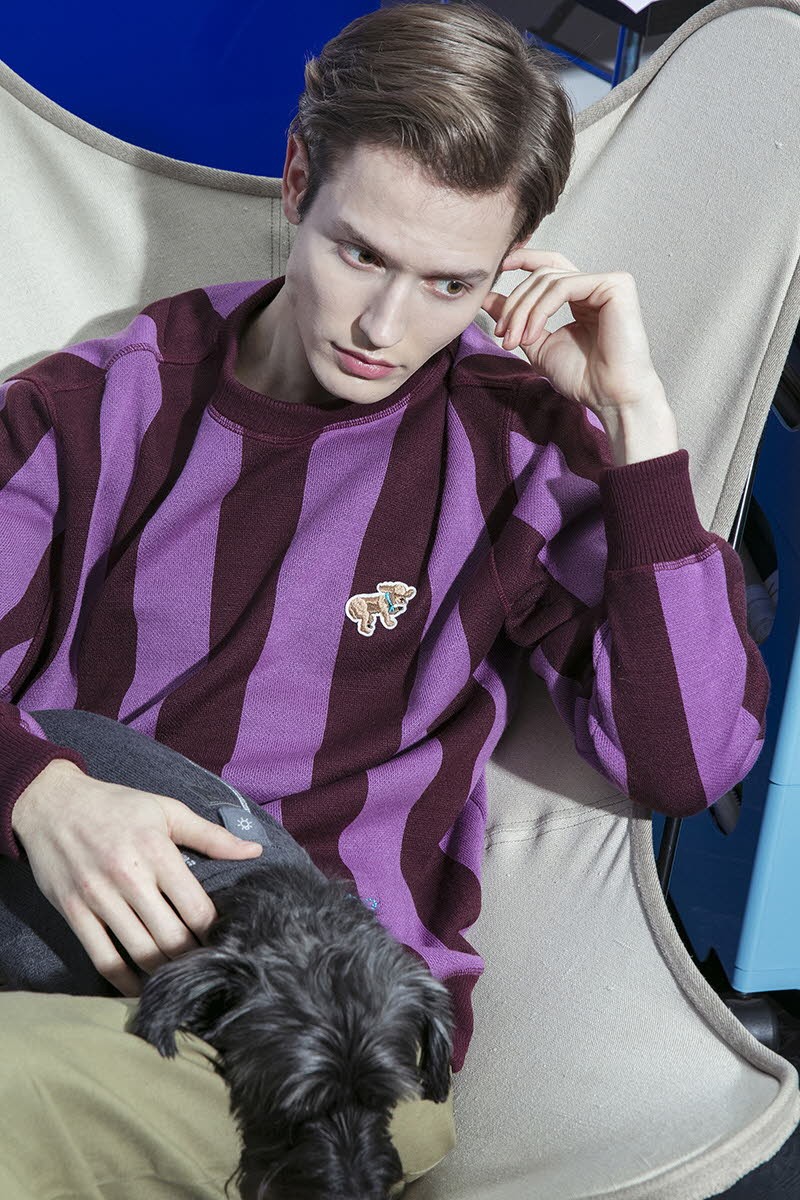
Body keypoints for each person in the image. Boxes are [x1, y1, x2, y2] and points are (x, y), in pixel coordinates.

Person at [0, 3, 768, 1197]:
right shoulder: (87, 408)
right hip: (39, 943)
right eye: (360, 253)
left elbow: (683, 762)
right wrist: (40, 792)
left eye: (450, 282)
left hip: (313, 1046)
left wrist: (637, 425)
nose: (383, 328)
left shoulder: (516, 443)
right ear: (296, 180)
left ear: (512, 261)